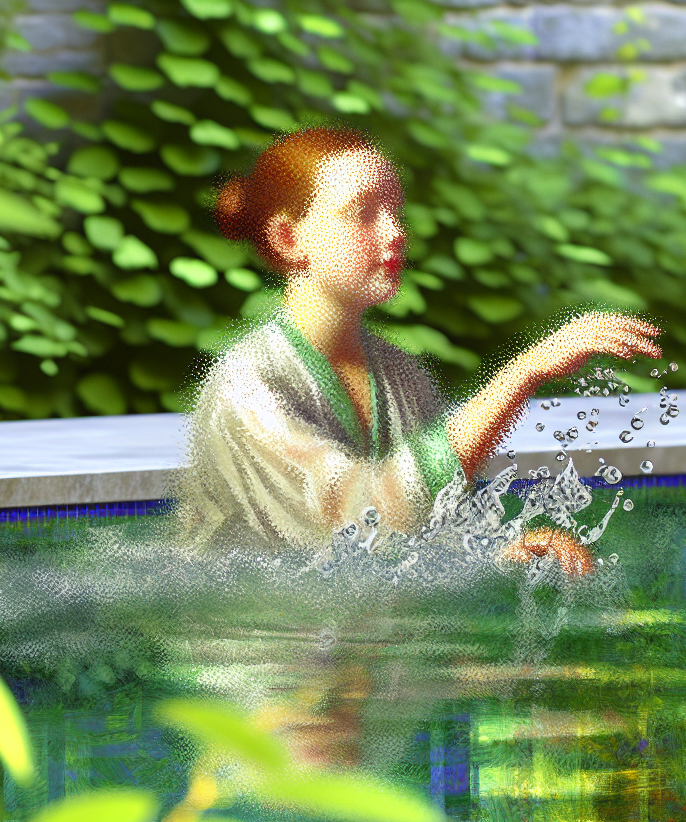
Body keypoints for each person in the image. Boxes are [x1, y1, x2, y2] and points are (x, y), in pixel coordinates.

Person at [181, 127, 661, 567]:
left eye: (394, 211)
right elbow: (364, 518)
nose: (396, 233)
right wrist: (525, 373)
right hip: (262, 651)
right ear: (288, 237)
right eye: (364, 212)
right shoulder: (246, 391)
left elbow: (425, 541)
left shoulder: (398, 374)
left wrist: (502, 555)